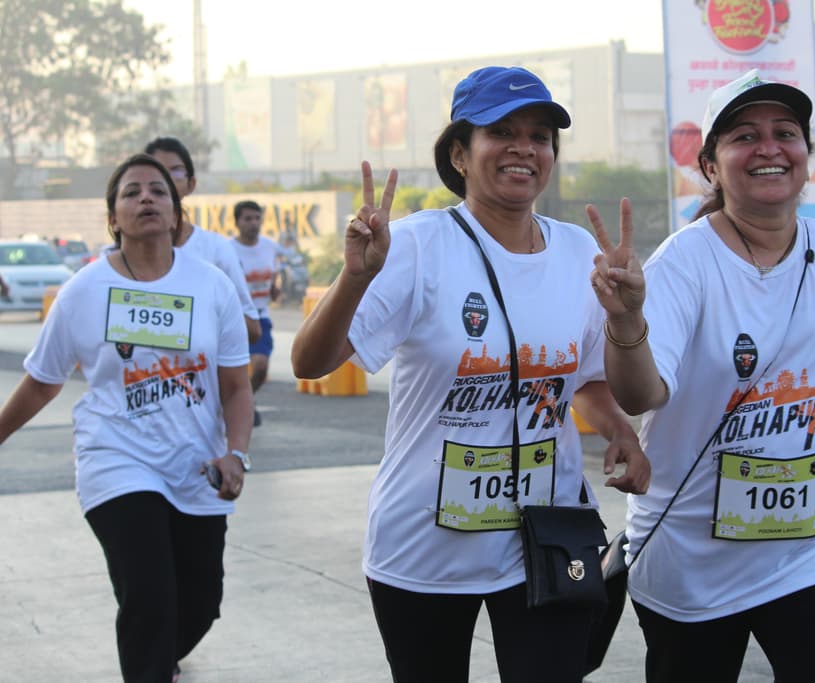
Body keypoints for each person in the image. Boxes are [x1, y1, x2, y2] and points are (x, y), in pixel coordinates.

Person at [587, 69, 815, 682]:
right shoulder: (684, 262)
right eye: (743, 136)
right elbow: (640, 392)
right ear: (710, 165)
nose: (768, 147)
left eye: (785, 133)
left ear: (805, 157)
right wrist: (626, 321)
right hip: (693, 551)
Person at [291, 65, 651, 683]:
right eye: (501, 132)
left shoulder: (577, 256)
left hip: (548, 532)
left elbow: (581, 378)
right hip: (424, 542)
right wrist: (355, 275)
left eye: (540, 136)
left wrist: (619, 427)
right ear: (459, 153)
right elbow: (309, 362)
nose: (524, 148)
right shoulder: (412, 247)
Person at [0, 153, 253, 682]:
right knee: (148, 593)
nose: (146, 199)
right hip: (117, 459)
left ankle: (158, 661)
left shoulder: (210, 286)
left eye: (158, 191)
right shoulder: (83, 291)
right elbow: (44, 380)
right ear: (113, 217)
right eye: (131, 192)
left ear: (177, 211)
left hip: (196, 464)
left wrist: (237, 453)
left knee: (201, 601)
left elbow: (235, 386)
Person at [143, 136, 262, 345]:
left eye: (176, 171)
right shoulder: (116, 257)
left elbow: (252, 330)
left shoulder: (217, 249)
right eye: (157, 172)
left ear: (191, 184)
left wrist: (187, 314)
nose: (166, 180)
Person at [231, 200, 283, 426]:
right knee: (233, 370)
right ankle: (235, 406)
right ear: (237, 222)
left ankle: (246, 401)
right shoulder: (227, 250)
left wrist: (274, 288)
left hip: (260, 315)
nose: (253, 223)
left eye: (257, 218)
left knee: (260, 366)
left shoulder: (270, 246)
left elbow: (274, 274)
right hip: (233, 317)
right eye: (247, 219)